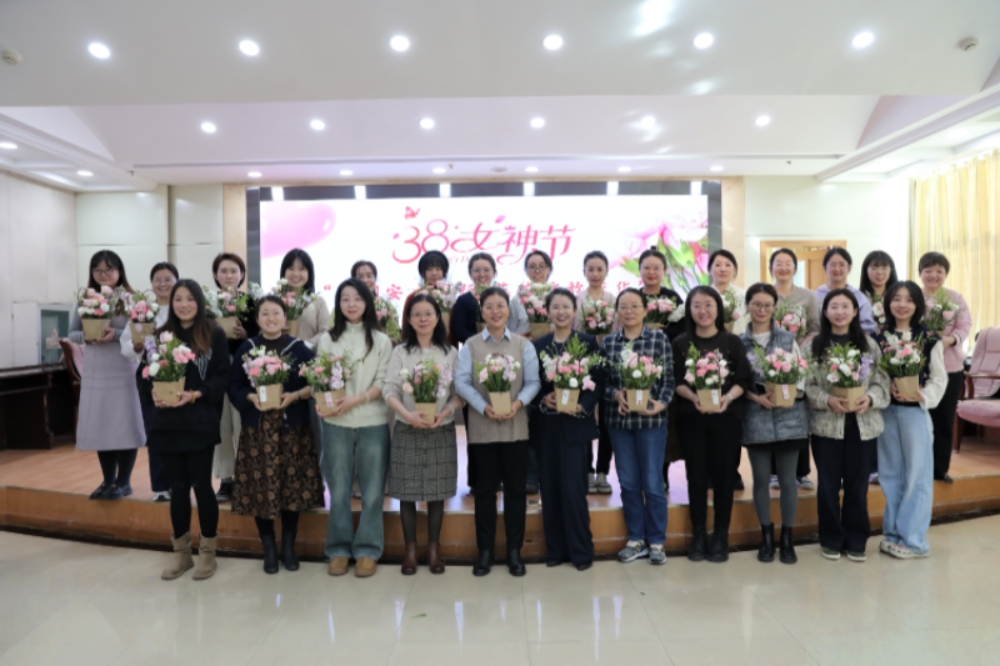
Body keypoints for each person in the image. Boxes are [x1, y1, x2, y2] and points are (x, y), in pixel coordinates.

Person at [139, 280, 231, 581]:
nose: (184, 304)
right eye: (178, 299)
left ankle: (207, 553)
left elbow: (222, 377)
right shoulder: (159, 335)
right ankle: (181, 554)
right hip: (166, 424)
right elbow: (142, 376)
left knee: (202, 486)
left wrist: (195, 394)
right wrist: (153, 393)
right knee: (177, 488)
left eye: (190, 299)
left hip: (199, 423)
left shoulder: (214, 334)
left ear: (199, 302)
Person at [228, 295, 324, 574]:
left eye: (276, 313)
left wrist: (295, 395)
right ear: (257, 319)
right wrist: (250, 397)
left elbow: (317, 382)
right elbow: (234, 385)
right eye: (265, 313)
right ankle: (268, 549)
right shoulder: (248, 348)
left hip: (293, 429)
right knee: (261, 490)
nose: (271, 318)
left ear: (285, 318)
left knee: (292, 488)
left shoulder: (300, 348)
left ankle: (289, 548)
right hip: (257, 431)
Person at [455, 287, 541, 577]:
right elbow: (462, 382)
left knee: (516, 491)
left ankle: (515, 552)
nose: (495, 311)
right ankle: (485, 552)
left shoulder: (522, 345)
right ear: (481, 312)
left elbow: (533, 382)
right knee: (484, 492)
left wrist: (518, 403)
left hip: (516, 427)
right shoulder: (470, 345)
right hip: (483, 428)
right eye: (489, 306)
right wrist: (483, 407)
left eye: (500, 305)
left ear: (508, 310)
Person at [803, 289, 890, 562]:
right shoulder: (812, 347)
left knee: (857, 485)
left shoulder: (869, 345)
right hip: (827, 426)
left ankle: (856, 539)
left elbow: (881, 381)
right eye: (834, 306)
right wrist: (827, 399)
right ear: (825, 312)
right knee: (828, 486)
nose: (839, 312)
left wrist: (870, 398)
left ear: (855, 312)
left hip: (863, 425)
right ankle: (830, 538)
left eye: (845, 306)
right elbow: (806, 384)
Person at [317, 278, 393, 578]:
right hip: (336, 422)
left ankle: (368, 550)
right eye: (345, 298)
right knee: (338, 489)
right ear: (338, 304)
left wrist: (356, 400)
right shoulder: (328, 339)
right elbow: (320, 377)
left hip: (373, 421)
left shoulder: (381, 340)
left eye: (358, 298)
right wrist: (323, 402)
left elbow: (383, 382)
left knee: (373, 491)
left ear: (367, 303)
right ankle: (338, 549)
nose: (351, 304)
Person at [383, 293, 464, 575]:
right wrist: (407, 415)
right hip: (407, 428)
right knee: (406, 491)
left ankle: (433, 550)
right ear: (408, 319)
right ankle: (410, 551)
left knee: (436, 491)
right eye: (416, 314)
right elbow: (389, 390)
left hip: (440, 429)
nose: (423, 318)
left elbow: (458, 394)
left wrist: (446, 412)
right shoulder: (400, 352)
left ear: (438, 317)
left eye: (428, 313)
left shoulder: (450, 353)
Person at [673, 286, 751, 563]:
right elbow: (676, 381)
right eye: (696, 305)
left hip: (727, 420)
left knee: (724, 478)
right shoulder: (681, 343)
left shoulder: (732, 342)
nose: (702, 311)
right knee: (695, 478)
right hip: (692, 419)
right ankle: (698, 534)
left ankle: (720, 534)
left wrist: (727, 398)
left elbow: (743, 380)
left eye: (708, 305)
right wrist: (693, 396)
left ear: (718, 308)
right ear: (689, 310)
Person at [873, 281, 947, 559]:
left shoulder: (929, 337)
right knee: (890, 474)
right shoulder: (877, 336)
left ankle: (915, 541)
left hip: (915, 412)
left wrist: (921, 395)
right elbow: (872, 373)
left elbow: (939, 378)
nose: (902, 304)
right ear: (887, 303)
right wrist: (887, 386)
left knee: (917, 474)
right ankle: (894, 534)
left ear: (918, 305)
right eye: (896, 299)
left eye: (909, 300)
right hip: (886, 412)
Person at [601, 288, 674, 565]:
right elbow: (603, 383)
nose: (629, 311)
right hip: (620, 423)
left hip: (651, 422)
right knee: (629, 482)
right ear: (617, 311)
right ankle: (635, 539)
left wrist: (661, 403)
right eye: (623, 306)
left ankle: (656, 542)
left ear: (645, 309)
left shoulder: (659, 339)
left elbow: (668, 380)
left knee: (653, 483)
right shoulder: (609, 342)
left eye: (634, 306)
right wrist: (616, 395)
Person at [449, 252, 530, 493]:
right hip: (476, 365)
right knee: (477, 430)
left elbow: (512, 327)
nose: (482, 274)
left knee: (510, 434)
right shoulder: (464, 301)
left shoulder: (505, 299)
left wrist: (500, 341)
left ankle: (506, 478)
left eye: (486, 269)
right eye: (477, 270)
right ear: (470, 273)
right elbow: (457, 329)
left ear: (494, 272)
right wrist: (482, 342)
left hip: (507, 363)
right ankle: (478, 481)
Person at [532, 288, 601, 570]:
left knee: (573, 490)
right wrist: (543, 398)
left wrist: (583, 405)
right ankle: (556, 551)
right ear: (547, 311)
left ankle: (581, 552)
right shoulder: (538, 346)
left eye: (566, 307)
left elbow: (599, 381)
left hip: (576, 426)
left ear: (575, 311)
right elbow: (531, 383)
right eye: (555, 307)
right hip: (547, 426)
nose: (561, 312)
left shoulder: (587, 342)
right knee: (549, 490)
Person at [740, 283, 809, 564]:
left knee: (788, 480)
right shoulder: (739, 342)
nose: (761, 309)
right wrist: (755, 397)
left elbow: (801, 374)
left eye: (767, 305)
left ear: (774, 308)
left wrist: (788, 394)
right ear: (747, 305)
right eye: (756, 304)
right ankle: (766, 536)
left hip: (789, 416)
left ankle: (787, 538)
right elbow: (736, 381)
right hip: (756, 416)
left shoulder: (787, 338)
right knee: (760, 479)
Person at [70, 250, 144, 501]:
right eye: (98, 270)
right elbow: (72, 333)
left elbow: (140, 332)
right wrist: (88, 335)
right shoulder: (85, 299)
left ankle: (124, 482)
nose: (103, 274)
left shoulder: (131, 299)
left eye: (108, 269)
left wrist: (116, 333)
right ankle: (108, 480)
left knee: (124, 423)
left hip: (123, 368)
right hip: (96, 370)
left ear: (119, 272)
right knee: (102, 424)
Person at [121, 261, 177, 502]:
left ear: (177, 281)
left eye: (167, 279)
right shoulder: (142, 310)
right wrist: (136, 346)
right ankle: (161, 486)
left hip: (179, 375)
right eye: (157, 280)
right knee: (155, 430)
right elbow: (126, 344)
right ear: (151, 284)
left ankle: (180, 483)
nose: (162, 284)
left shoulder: (183, 308)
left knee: (178, 431)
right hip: (148, 376)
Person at [918, 252, 972, 484]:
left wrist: (948, 340)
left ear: (945, 274)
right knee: (919, 420)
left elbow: (964, 325)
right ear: (920, 273)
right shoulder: (913, 296)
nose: (934, 275)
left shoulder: (955, 297)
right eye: (928, 270)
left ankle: (939, 469)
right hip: (919, 368)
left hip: (950, 366)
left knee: (943, 418)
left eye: (939, 271)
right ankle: (918, 468)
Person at [768, 248, 819, 491]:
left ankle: (802, 472)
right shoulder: (765, 293)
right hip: (772, 360)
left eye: (788, 263)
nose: (783, 267)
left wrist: (800, 346)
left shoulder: (808, 296)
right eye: (778, 263)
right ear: (771, 267)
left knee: (799, 413)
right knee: (773, 413)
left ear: (795, 268)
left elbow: (815, 327)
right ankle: (774, 472)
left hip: (800, 360)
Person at [211, 252, 260, 503]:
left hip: (244, 371)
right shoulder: (207, 303)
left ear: (242, 275)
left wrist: (244, 335)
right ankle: (226, 480)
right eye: (224, 271)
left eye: (234, 271)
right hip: (217, 369)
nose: (229, 275)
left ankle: (246, 476)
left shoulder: (252, 303)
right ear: (215, 275)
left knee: (243, 424)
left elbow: (261, 336)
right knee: (220, 425)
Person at [636, 247, 686, 492]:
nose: (652, 272)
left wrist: (660, 331)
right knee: (637, 419)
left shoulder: (673, 298)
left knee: (663, 422)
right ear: (639, 270)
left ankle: (662, 475)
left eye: (657, 268)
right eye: (647, 267)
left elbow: (681, 331)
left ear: (664, 271)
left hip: (665, 367)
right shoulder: (633, 297)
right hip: (635, 368)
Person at [574, 250, 617, 495]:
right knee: (586, 417)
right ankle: (588, 470)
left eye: (600, 269)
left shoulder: (613, 300)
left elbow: (618, 332)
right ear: (584, 272)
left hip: (608, 366)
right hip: (584, 368)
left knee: (606, 421)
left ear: (606, 271)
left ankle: (602, 472)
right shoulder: (577, 299)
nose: (595, 274)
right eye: (590, 269)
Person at [815, 248, 877, 334]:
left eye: (842, 265)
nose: (837, 269)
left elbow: (867, 326)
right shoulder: (815, 296)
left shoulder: (859, 297)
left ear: (849, 267)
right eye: (833, 265)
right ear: (825, 267)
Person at [280, 248, 330, 348]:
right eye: (291, 268)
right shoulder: (275, 301)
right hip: (278, 356)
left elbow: (326, 332)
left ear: (309, 273)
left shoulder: (318, 302)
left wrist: (305, 345)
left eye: (301, 269)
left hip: (310, 355)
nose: (296, 274)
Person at [709, 249, 746, 334]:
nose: (723, 269)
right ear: (709, 269)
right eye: (717, 265)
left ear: (735, 270)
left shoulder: (744, 295)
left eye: (728, 265)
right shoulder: (702, 296)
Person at [859, 250, 899, 329]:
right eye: (874, 268)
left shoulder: (897, 296)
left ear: (891, 270)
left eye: (884, 268)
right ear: (866, 270)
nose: (880, 272)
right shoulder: (859, 297)